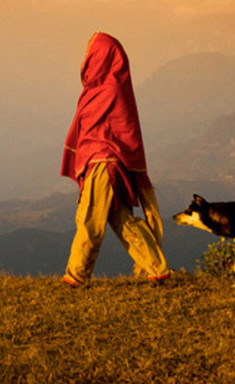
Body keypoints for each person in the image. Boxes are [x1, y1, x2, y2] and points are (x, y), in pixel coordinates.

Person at [61, 32, 169, 288]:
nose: (86, 61)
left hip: (104, 162)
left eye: (91, 55)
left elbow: (106, 130)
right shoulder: (107, 87)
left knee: (89, 218)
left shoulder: (109, 89)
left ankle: (76, 276)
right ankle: (157, 269)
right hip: (106, 161)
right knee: (120, 219)